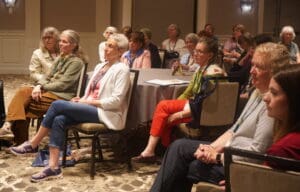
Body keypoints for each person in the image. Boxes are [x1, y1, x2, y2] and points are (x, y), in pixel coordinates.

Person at [144, 42, 290, 192]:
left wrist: (217, 156)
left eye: (259, 67)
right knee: (178, 147)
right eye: (252, 64)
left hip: (240, 163)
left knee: (184, 165)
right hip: (228, 151)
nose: (251, 71)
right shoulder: (256, 92)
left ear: (275, 72)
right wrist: (210, 148)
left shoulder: (273, 104)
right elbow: (233, 130)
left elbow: (256, 153)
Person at [9, 33, 131, 182]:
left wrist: (86, 103)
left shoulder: (122, 69)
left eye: (110, 46)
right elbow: (92, 92)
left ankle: (33, 144)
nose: (105, 48)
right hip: (91, 107)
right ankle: (54, 167)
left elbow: (116, 101)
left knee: (57, 105)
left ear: (120, 51)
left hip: (107, 112)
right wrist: (82, 99)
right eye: (106, 44)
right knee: (59, 119)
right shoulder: (100, 66)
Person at [132, 37, 224, 163]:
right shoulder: (200, 69)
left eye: (200, 52)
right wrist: (175, 105)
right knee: (165, 110)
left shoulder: (213, 73)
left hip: (204, 114)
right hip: (194, 107)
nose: (195, 54)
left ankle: (156, 151)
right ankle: (164, 151)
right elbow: (188, 92)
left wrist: (179, 113)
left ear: (210, 55)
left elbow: (204, 104)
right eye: (195, 51)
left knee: (163, 106)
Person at [0, 30, 87, 145]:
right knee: (23, 94)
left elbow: (63, 85)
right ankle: (19, 139)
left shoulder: (76, 62)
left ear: (73, 45)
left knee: (23, 104)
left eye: (64, 42)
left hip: (61, 97)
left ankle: (12, 129)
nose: (60, 43)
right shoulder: (62, 57)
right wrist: (39, 86)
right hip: (50, 91)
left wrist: (42, 86)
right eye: (60, 41)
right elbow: (47, 75)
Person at [264, 64, 300, 171]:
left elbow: (261, 186)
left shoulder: (282, 150)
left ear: (294, 100)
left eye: (274, 93)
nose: (265, 98)